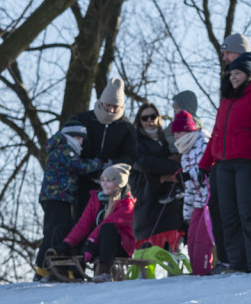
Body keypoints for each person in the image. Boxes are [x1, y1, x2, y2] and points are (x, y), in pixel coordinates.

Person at [199, 52, 251, 273]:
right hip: (222, 166)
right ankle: (236, 263)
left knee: (249, 213)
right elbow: (215, 135)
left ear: (249, 74)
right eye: (231, 73)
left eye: (238, 73)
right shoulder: (226, 100)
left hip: (246, 164)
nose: (233, 77)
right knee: (228, 216)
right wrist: (204, 163)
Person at [35, 118, 105, 279]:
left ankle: (46, 267)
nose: (81, 143)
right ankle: (46, 268)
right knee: (56, 230)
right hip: (57, 196)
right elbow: (79, 166)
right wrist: (99, 163)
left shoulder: (59, 148)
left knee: (54, 230)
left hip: (58, 196)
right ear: (70, 136)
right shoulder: (64, 149)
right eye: (79, 139)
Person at [58, 163, 136, 282]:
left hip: (118, 245)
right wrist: (68, 243)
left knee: (107, 228)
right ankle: (61, 268)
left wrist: (90, 242)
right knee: (62, 229)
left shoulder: (126, 204)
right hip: (96, 242)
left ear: (119, 183)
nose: (104, 183)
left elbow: (109, 222)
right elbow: (84, 224)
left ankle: (105, 270)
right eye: (102, 180)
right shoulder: (96, 199)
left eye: (109, 180)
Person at [71, 77, 137, 213]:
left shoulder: (127, 128)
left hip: (112, 184)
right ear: (102, 102)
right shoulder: (83, 119)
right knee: (81, 220)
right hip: (84, 181)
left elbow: (130, 155)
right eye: (108, 105)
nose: (111, 110)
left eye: (115, 107)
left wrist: (112, 164)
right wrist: (84, 164)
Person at [130, 102, 184, 247]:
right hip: (146, 199)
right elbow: (141, 163)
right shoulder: (134, 140)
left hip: (170, 204)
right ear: (139, 120)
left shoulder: (168, 139)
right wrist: (172, 167)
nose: (149, 121)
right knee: (147, 254)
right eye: (145, 118)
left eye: (153, 116)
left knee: (172, 250)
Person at [172, 110, 213, 275]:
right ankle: (196, 272)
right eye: (174, 133)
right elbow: (189, 188)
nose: (176, 137)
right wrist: (186, 216)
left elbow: (208, 171)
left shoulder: (203, 143)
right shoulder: (185, 152)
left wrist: (191, 174)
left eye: (180, 132)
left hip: (209, 200)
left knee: (203, 238)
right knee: (192, 237)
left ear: (189, 130)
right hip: (197, 202)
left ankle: (203, 271)